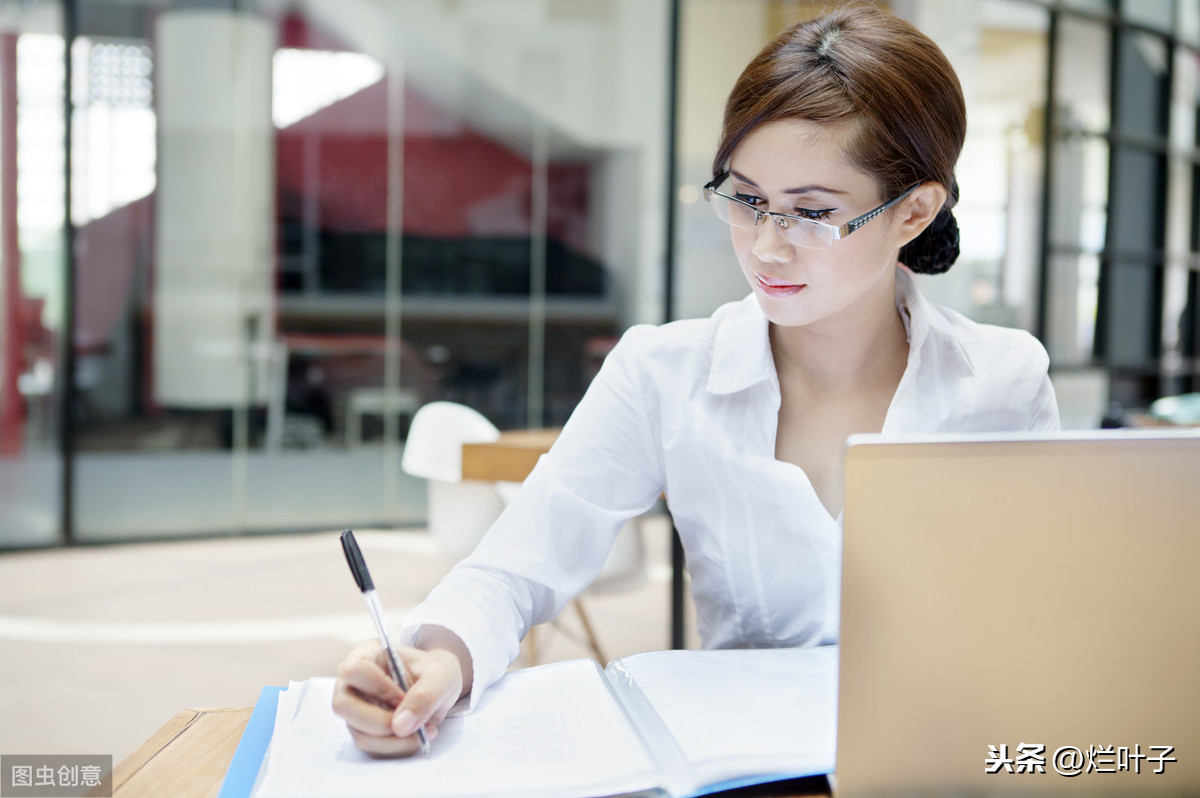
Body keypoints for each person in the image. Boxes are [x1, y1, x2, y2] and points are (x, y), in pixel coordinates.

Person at [332, 5, 1060, 756]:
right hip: (746, 770)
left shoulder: (1002, 383)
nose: (767, 248)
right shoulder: (663, 374)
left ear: (913, 211)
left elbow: (1054, 609)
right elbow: (517, 565)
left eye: (812, 212)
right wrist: (436, 660)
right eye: (747, 201)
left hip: (944, 760)